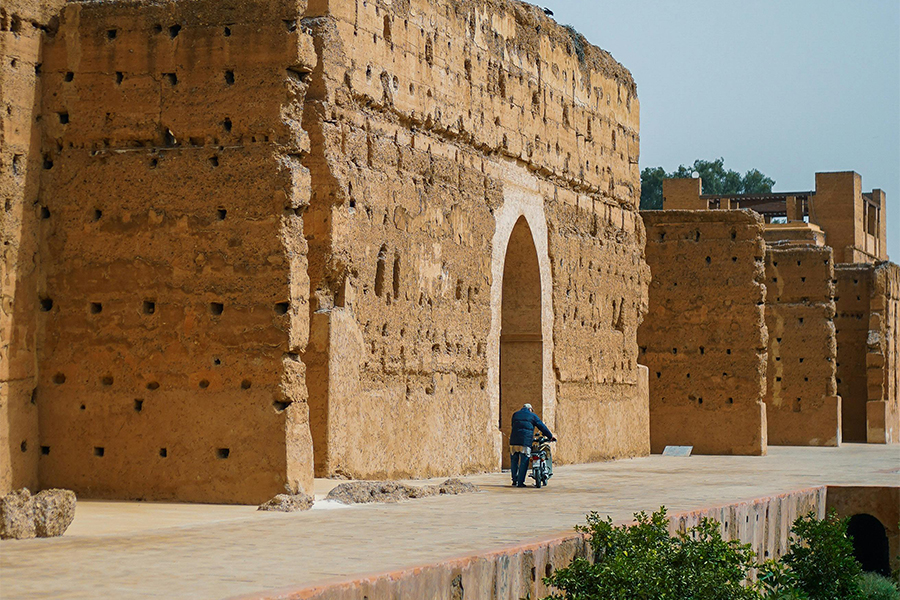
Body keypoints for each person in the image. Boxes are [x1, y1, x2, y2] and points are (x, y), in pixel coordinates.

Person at [509, 403, 554, 488]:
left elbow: (513, 425)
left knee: (514, 461)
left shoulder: (515, 415)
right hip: (525, 441)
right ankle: (520, 482)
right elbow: (541, 426)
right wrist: (550, 436)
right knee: (524, 461)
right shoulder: (533, 416)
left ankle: (514, 480)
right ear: (530, 409)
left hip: (513, 441)